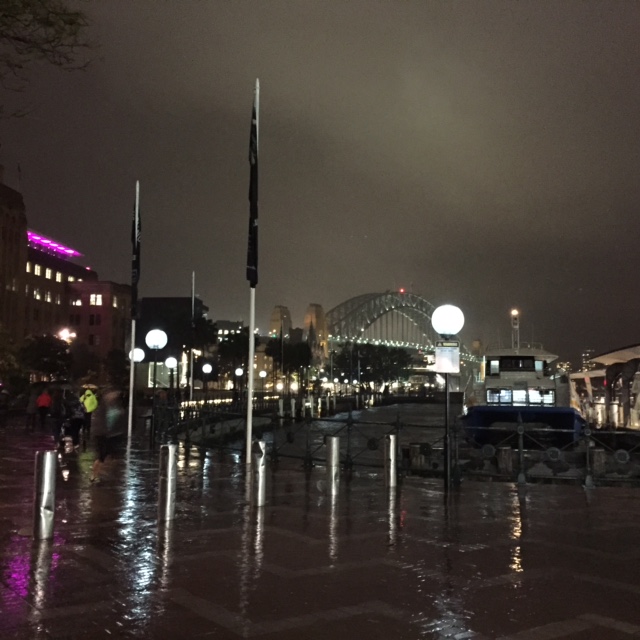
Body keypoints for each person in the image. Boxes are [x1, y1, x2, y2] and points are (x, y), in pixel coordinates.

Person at [90, 389, 123, 483]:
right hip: (102, 435)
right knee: (101, 456)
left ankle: (100, 474)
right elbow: (99, 422)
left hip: (110, 435)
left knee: (109, 456)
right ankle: (94, 476)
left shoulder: (113, 406)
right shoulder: (102, 408)